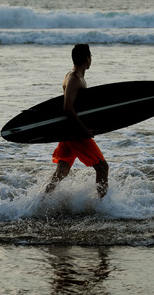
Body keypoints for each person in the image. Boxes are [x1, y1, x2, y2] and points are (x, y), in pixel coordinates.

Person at [44, 44, 109, 199]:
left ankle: (40, 202)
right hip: (75, 132)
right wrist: (85, 130)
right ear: (87, 59)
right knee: (102, 167)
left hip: (67, 131)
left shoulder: (72, 76)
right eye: (90, 56)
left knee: (62, 171)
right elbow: (67, 108)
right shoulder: (74, 78)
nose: (91, 59)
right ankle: (103, 205)